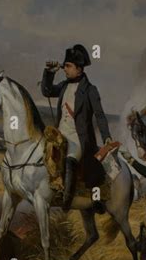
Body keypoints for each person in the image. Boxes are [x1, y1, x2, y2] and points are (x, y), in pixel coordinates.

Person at [41, 43, 112, 211]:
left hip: (79, 138)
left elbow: (100, 115)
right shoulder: (64, 86)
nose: (64, 69)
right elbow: (46, 90)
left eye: (68, 66)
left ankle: (65, 199)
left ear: (79, 69)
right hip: (60, 135)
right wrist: (49, 72)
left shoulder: (90, 90)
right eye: (65, 65)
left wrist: (107, 136)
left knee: (70, 160)